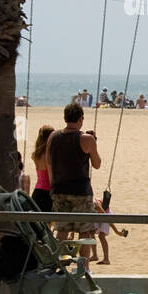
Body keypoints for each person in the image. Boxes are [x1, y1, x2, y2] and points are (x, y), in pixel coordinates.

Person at [45, 102, 102, 247]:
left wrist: (53, 185)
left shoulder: (53, 137)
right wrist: (94, 143)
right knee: (85, 233)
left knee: (62, 231)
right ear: (80, 119)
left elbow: (49, 162)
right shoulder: (86, 139)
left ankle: (60, 259)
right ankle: (84, 261)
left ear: (65, 117)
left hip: (59, 190)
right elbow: (97, 164)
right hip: (81, 191)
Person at [93, 197, 128, 265]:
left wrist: (117, 232)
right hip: (97, 215)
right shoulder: (83, 206)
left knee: (101, 236)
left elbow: (107, 218)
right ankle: (94, 256)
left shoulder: (96, 205)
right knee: (90, 232)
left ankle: (106, 259)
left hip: (106, 214)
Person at [29, 124, 54, 214]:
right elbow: (51, 177)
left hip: (37, 191)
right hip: (47, 193)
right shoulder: (49, 155)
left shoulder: (37, 154)